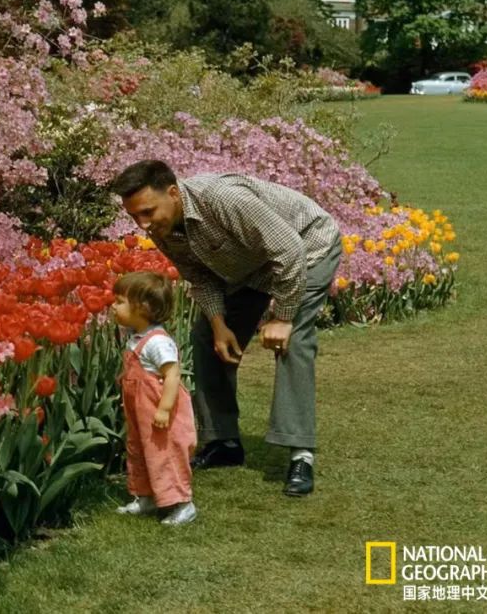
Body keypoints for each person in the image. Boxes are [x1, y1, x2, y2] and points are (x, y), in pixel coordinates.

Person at [110, 160, 341, 497]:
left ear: (173, 193)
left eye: (147, 212)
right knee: (205, 339)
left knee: (293, 340)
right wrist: (219, 325)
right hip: (252, 266)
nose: (142, 225)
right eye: (134, 217)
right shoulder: (164, 227)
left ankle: (300, 454)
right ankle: (224, 441)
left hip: (307, 247)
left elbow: (288, 250)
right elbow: (200, 277)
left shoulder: (222, 200)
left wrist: (283, 317)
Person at [111, 270, 197, 525]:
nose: (113, 307)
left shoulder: (158, 342)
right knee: (139, 449)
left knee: (165, 453)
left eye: (119, 301)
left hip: (159, 410)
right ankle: (146, 496)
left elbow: (172, 375)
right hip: (140, 409)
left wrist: (164, 409)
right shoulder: (136, 337)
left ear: (143, 308)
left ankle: (182, 503)